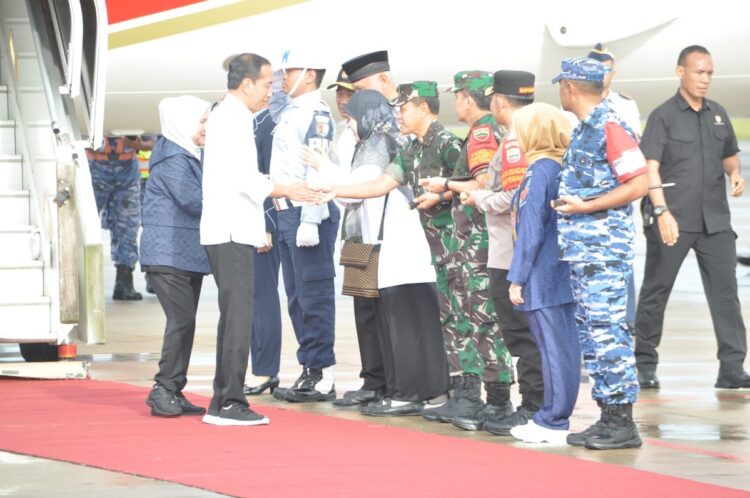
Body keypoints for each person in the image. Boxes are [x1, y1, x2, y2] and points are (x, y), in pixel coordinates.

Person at [304, 81, 461, 411]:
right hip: (383, 245)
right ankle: (403, 388)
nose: (348, 123)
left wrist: (327, 176)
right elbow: (368, 188)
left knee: (408, 322)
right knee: (395, 320)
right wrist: (333, 185)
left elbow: (365, 188)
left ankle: (411, 392)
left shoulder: (383, 142)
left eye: (351, 115)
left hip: (407, 247)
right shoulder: (396, 146)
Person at [200, 53, 321, 426]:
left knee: (234, 318)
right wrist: (287, 189)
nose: (272, 91)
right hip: (231, 230)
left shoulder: (232, 116)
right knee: (238, 319)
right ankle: (229, 403)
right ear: (246, 83)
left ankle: (224, 398)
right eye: (267, 84)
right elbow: (244, 177)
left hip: (232, 229)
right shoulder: (231, 119)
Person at [634, 45, 749, 389]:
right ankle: (644, 364)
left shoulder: (718, 113)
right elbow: (649, 167)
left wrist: (735, 174)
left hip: (714, 221)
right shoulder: (663, 116)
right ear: (680, 72)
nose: (705, 79)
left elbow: (729, 153)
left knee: (726, 295)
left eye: (710, 73)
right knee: (657, 290)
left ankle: (731, 368)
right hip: (674, 218)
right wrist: (661, 210)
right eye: (699, 72)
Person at [552, 56, 648, 450]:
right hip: (585, 251)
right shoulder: (586, 128)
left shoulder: (610, 125)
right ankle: (609, 415)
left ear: (571, 87)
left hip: (604, 250)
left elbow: (639, 182)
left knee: (609, 333)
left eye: (561, 83)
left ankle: (623, 420)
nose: (559, 89)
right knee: (593, 335)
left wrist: (586, 207)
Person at [419, 71, 514, 426]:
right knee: (471, 317)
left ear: (467, 99)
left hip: (479, 240)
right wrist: (444, 193)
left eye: (457, 95)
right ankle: (473, 397)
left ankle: (497, 401)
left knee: (483, 320)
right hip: (474, 240)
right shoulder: (484, 130)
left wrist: (445, 183)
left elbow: (482, 182)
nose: (455, 102)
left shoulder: (484, 132)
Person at [457, 70, 545, 435]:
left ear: (500, 102)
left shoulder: (513, 141)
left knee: (522, 336)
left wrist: (478, 197)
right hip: (518, 251)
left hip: (509, 254)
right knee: (527, 335)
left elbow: (512, 198)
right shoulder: (531, 131)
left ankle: (533, 406)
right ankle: (537, 404)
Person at [327, 50, 407, 408]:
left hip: (392, 233)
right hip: (358, 229)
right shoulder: (352, 127)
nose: (355, 98)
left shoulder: (404, 117)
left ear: (384, 82)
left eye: (360, 88)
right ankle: (373, 379)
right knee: (365, 308)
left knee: (392, 312)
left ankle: (395, 382)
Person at [269, 50, 340, 403]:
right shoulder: (290, 111)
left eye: (290, 70)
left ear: (309, 75)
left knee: (314, 296)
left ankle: (322, 373)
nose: (282, 77)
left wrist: (310, 218)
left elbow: (317, 165)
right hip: (286, 213)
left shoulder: (316, 114)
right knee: (297, 298)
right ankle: (309, 367)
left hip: (306, 213)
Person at [505, 103, 578, 444]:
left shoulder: (541, 170)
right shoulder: (559, 166)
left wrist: (516, 276)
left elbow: (531, 227)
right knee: (559, 348)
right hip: (557, 273)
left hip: (543, 275)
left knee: (554, 350)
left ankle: (553, 418)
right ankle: (552, 413)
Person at [142, 96, 211, 418]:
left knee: (185, 322)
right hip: (167, 254)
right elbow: (193, 200)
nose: (206, 128)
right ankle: (163, 388)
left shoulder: (186, 154)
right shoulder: (173, 158)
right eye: (201, 122)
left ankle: (174, 387)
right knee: (181, 321)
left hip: (183, 254)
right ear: (183, 123)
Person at [588, 43, 642, 330]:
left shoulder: (624, 104)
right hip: (587, 191)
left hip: (618, 186)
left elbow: (634, 144)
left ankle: (627, 316)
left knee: (621, 251)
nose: (603, 75)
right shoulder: (573, 105)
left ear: (614, 71)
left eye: (606, 69)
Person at [242, 105, 283, 396]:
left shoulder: (266, 122)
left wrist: (263, 223)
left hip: (265, 221)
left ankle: (265, 369)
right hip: (250, 220)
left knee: (262, 297)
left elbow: (266, 175)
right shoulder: (253, 120)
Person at [86, 135, 145, 300]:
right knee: (82, 225)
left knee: (128, 227)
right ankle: (80, 280)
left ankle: (124, 282)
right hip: (95, 168)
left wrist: (133, 143)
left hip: (127, 172)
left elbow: (151, 140)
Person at [327, 67, 356, 169]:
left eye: (349, 95)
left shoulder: (367, 132)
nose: (343, 101)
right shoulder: (338, 128)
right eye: (339, 95)